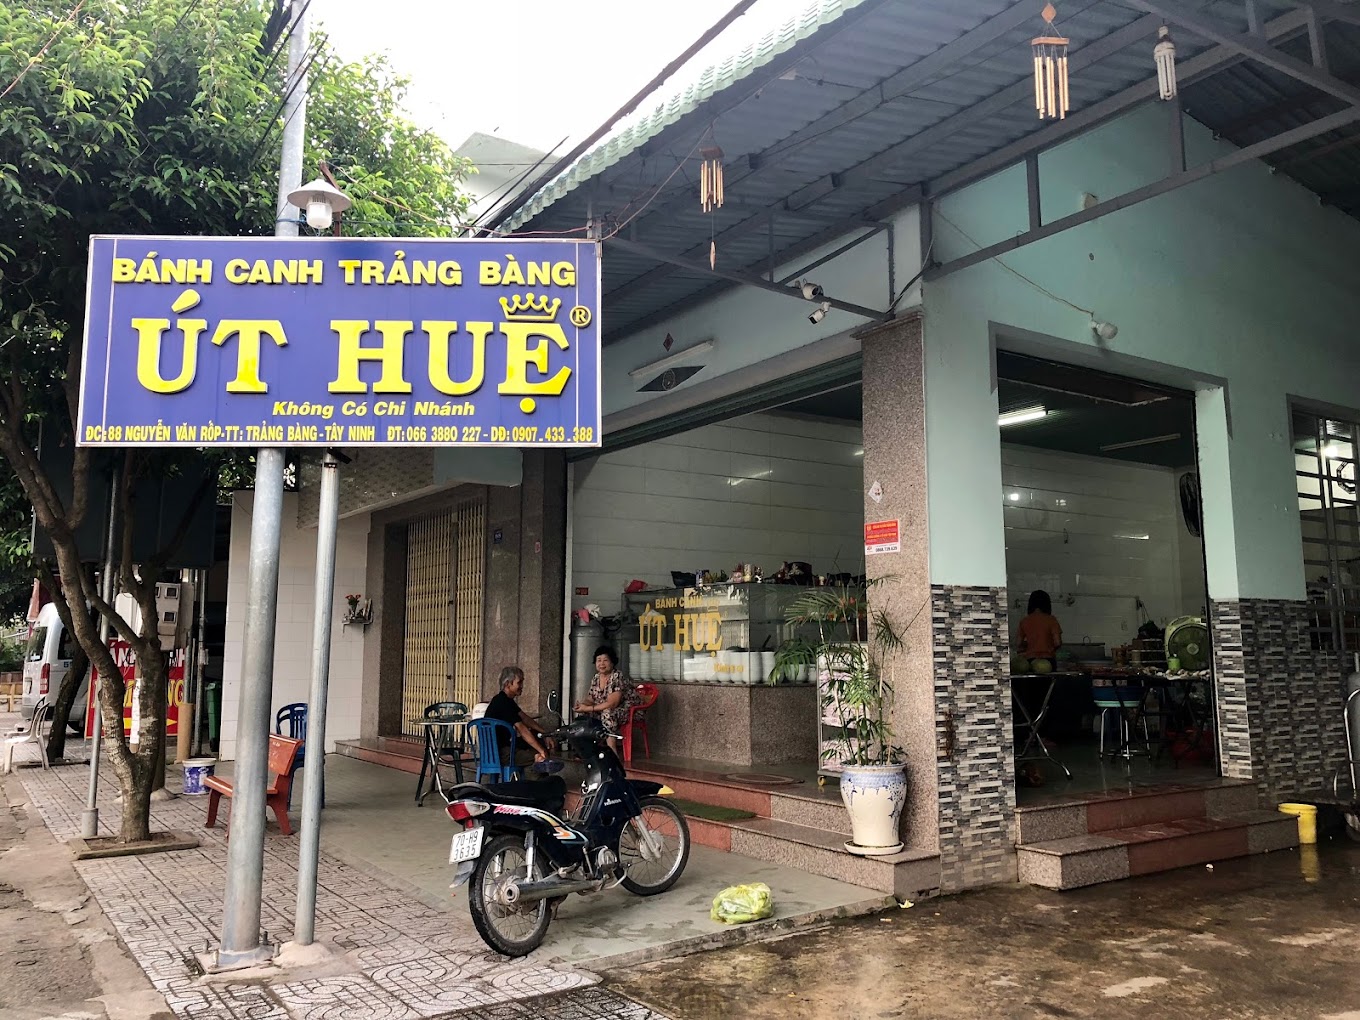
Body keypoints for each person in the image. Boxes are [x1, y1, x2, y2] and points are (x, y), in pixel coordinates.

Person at [484, 666, 553, 769]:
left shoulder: (506, 700)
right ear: (508, 684)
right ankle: (536, 779)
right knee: (538, 757)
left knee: (537, 736)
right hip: (499, 753)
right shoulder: (503, 703)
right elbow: (523, 730)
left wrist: (545, 734)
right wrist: (541, 751)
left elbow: (525, 719)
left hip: (503, 748)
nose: (522, 686)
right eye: (519, 683)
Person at [574, 645, 632, 755]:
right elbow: (591, 698)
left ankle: (612, 752)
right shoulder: (596, 678)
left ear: (612, 662)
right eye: (599, 660)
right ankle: (587, 750)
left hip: (625, 710)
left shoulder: (617, 676)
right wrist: (582, 706)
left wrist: (589, 708)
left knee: (607, 713)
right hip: (603, 708)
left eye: (605, 660)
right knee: (583, 717)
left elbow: (612, 703)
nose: (602, 664)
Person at [1016, 589, 1062, 670]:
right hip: (1048, 661)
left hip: (1030, 660)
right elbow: (1057, 642)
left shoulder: (1024, 621)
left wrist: (1031, 644)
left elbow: (1018, 643)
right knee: (1049, 682)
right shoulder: (1051, 620)